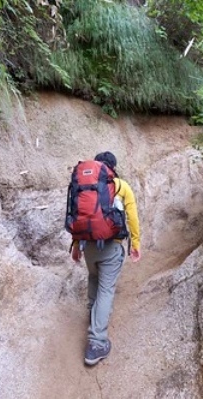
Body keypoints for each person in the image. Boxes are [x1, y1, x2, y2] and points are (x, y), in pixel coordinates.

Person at [71, 151, 142, 366]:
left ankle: (93, 317)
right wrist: (135, 244)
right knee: (106, 289)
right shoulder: (120, 186)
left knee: (94, 278)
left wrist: (75, 245)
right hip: (111, 247)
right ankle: (97, 342)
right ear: (112, 167)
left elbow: (76, 215)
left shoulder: (83, 186)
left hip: (87, 246)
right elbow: (132, 217)